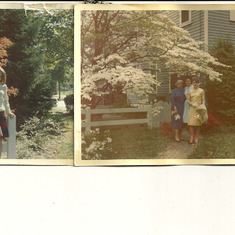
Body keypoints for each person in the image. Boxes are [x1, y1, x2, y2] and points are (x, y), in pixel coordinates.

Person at [0, 67, 15, 157]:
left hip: (1, 113)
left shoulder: (3, 86)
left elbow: (6, 101)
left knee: (0, 138)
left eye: (1, 75)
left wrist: (9, 112)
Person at [187, 77, 205, 144]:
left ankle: (196, 137)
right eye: (194, 82)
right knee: (191, 124)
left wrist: (202, 106)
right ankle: (191, 137)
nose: (195, 84)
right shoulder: (190, 91)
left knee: (197, 124)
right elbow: (188, 100)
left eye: (196, 82)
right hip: (192, 108)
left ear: (198, 83)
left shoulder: (201, 91)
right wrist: (192, 104)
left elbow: (203, 100)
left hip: (198, 109)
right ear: (192, 83)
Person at [171, 78, 185, 142]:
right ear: (176, 84)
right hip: (175, 107)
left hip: (182, 107)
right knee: (176, 120)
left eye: (181, 83)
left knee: (181, 121)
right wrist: (175, 108)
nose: (180, 85)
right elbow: (172, 100)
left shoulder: (184, 90)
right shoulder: (174, 91)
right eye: (178, 83)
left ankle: (180, 135)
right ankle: (176, 136)